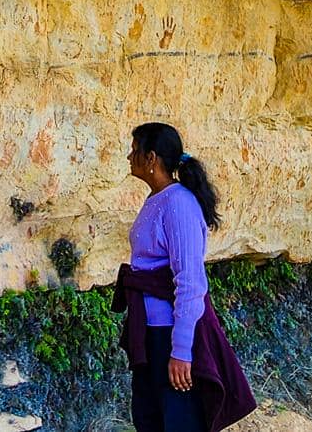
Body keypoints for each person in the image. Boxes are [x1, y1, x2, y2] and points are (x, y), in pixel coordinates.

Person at [114, 122, 253, 432]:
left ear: (151, 158)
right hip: (151, 331)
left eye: (134, 150)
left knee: (179, 421)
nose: (128, 156)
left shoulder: (179, 204)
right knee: (151, 418)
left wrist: (181, 352)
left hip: (170, 333)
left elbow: (190, 282)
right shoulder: (158, 199)